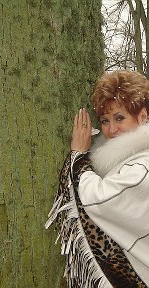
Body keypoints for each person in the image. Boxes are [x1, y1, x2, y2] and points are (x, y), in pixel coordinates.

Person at [45, 70, 149, 287]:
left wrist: (78, 157)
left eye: (120, 118)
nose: (111, 130)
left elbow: (99, 199)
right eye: (104, 120)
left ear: (142, 115)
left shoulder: (143, 167)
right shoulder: (126, 159)